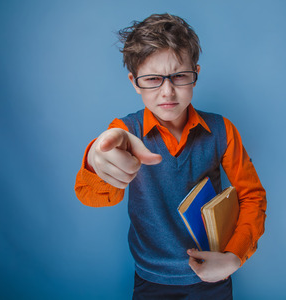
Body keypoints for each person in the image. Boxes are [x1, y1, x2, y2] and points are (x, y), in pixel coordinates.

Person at [74, 13, 266, 299]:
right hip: (151, 280)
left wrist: (234, 258)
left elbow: (252, 196)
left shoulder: (222, 130)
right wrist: (95, 157)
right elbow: (93, 196)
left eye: (179, 76)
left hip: (214, 276)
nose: (168, 91)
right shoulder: (125, 132)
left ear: (195, 75)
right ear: (134, 82)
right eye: (152, 79)